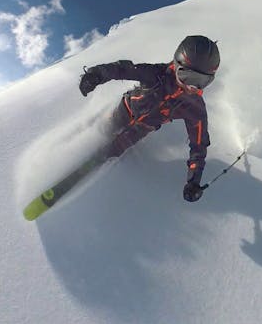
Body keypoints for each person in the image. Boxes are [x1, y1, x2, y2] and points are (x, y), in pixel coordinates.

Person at [78, 35, 219, 202]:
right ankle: (78, 140)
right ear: (176, 65)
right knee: (102, 130)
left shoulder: (195, 109)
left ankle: (92, 168)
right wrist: (96, 75)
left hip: (142, 128)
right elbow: (123, 69)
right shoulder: (157, 74)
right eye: (187, 76)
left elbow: (199, 147)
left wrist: (193, 181)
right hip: (124, 110)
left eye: (201, 81)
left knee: (113, 151)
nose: (191, 86)